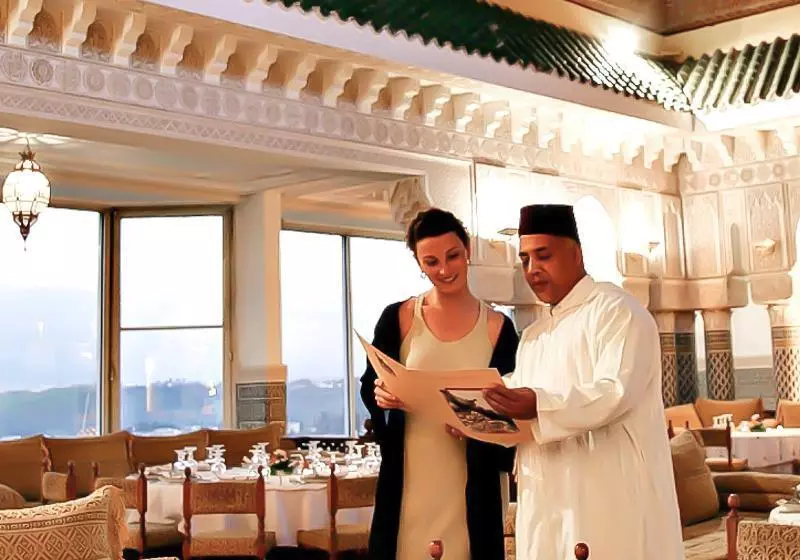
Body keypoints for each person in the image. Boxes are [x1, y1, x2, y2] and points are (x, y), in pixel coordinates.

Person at [482, 204, 683, 559]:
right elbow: (517, 396)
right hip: (546, 497)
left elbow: (614, 391)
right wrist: (474, 412)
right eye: (525, 259)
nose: (532, 269)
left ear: (576, 254)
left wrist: (538, 405)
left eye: (543, 255)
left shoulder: (616, 311)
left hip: (605, 494)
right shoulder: (534, 336)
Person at [360, 207, 519, 560]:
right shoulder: (399, 317)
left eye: (453, 256)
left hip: (471, 475)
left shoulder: (499, 328)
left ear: (468, 251)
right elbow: (370, 385)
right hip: (409, 473)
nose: (444, 270)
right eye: (431, 262)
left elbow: (512, 412)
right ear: (419, 264)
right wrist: (380, 394)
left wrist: (475, 424)